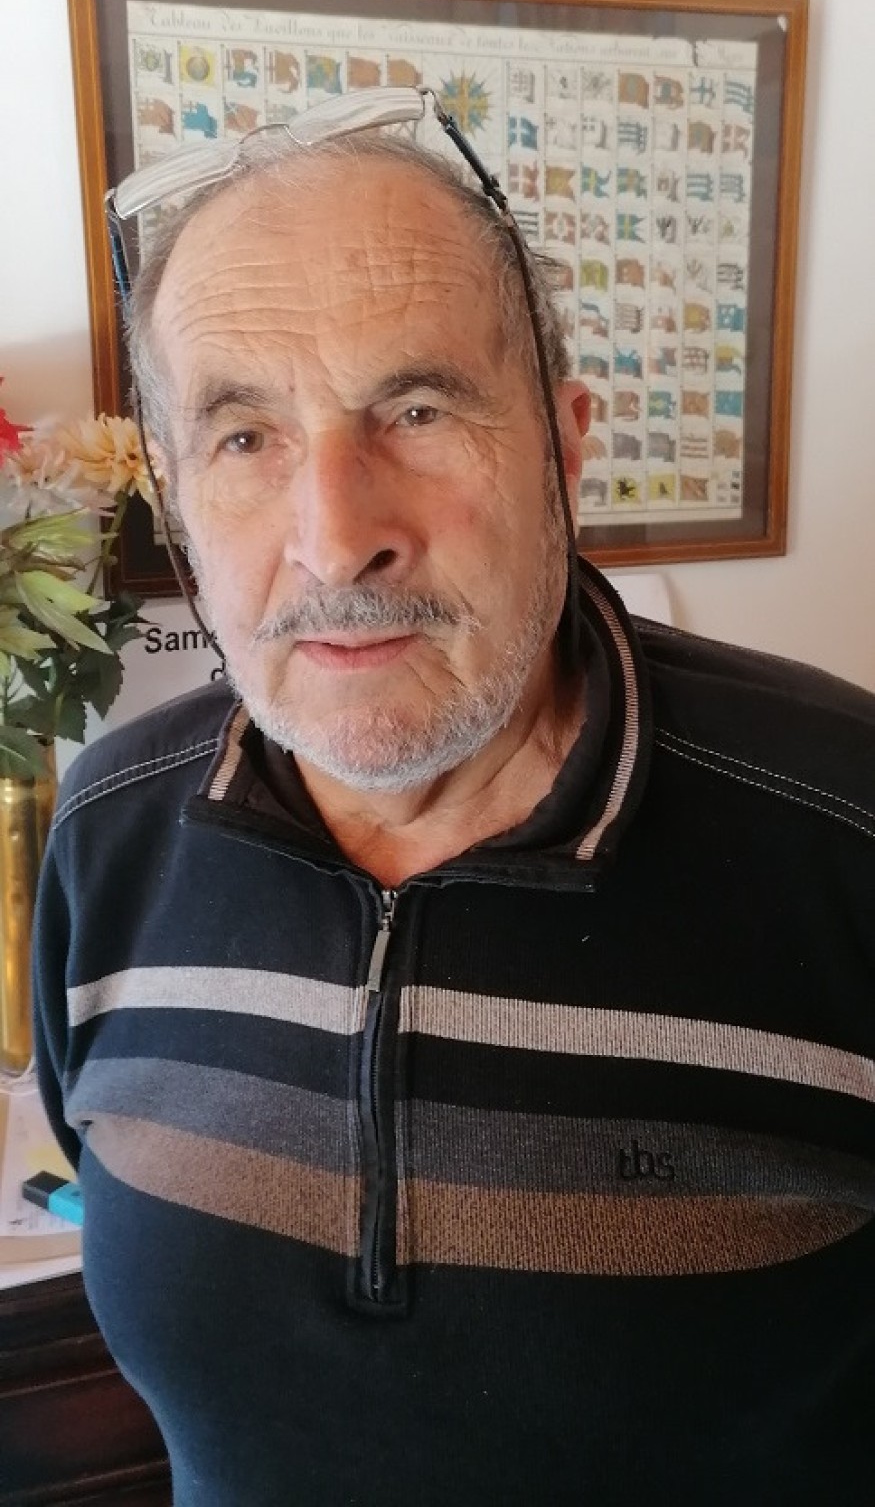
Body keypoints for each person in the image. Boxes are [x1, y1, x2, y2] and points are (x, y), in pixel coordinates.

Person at [34, 91, 875, 1507]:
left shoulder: (845, 833)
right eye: (244, 439)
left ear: (564, 446)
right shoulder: (108, 831)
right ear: (173, 499)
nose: (336, 538)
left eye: (417, 410)